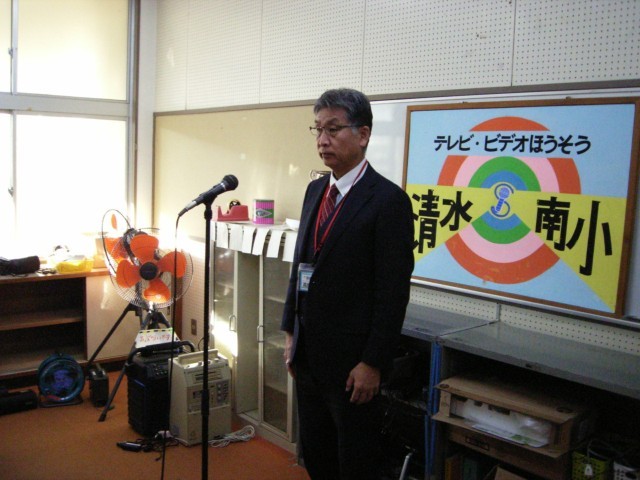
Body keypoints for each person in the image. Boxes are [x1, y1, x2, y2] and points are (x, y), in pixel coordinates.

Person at [281, 88, 415, 480]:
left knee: (354, 463)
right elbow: (300, 265)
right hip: (308, 355)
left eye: (334, 129)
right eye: (318, 129)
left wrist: (373, 363)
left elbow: (392, 292)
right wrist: (290, 332)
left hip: (352, 365)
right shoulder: (315, 190)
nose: (323, 140)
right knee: (317, 456)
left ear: (363, 134)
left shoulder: (388, 201)